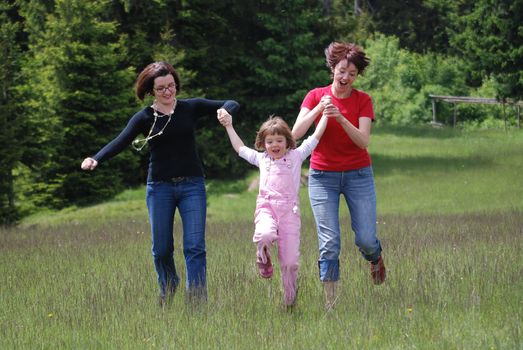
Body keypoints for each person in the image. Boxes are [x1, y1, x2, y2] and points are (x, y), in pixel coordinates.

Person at [81, 61, 240, 306]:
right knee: (162, 249)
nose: (167, 92)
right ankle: (169, 284)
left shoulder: (191, 107)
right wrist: (95, 158)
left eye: (171, 86)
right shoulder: (144, 117)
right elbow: (121, 141)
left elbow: (231, 102)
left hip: (192, 186)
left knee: (195, 246)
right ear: (150, 91)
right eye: (161, 89)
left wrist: (224, 111)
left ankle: (197, 301)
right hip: (160, 188)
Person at [292, 41, 386, 310]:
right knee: (329, 241)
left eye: (352, 74)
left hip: (358, 175)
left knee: (366, 239)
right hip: (322, 177)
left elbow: (363, 141)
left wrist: (342, 118)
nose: (345, 78)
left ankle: (375, 257)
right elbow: (296, 133)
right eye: (342, 70)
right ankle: (330, 306)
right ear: (333, 68)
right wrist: (320, 109)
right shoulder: (315, 96)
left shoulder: (363, 100)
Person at [217, 111, 328, 307]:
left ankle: (289, 301)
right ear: (263, 143)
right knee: (265, 235)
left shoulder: (296, 156)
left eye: (279, 140)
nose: (274, 145)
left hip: (289, 213)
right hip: (266, 207)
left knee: (290, 262)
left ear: (287, 141)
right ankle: (263, 256)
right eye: (269, 141)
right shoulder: (261, 159)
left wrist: (326, 114)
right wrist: (228, 126)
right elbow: (240, 148)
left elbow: (315, 138)